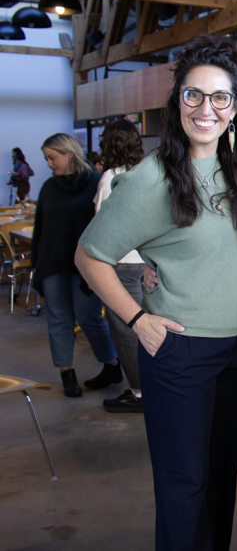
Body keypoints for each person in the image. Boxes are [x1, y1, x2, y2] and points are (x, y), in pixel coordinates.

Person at [76, 34, 237, 551]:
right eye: (193, 95)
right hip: (180, 351)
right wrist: (137, 320)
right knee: (185, 489)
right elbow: (89, 256)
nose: (206, 108)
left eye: (219, 97)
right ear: (176, 101)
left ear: (233, 109)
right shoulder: (151, 179)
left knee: (221, 483)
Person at [32, 133, 119, 398]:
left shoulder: (96, 182)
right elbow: (40, 229)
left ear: (69, 153)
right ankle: (66, 373)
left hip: (87, 265)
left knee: (89, 317)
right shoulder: (48, 187)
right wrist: (36, 264)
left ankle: (111, 365)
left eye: (52, 157)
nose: (49, 163)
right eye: (46, 158)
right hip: (53, 263)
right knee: (58, 319)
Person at [92, 118, 147, 414]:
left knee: (125, 331)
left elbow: (101, 229)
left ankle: (139, 392)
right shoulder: (143, 172)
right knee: (142, 326)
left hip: (121, 264)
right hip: (144, 263)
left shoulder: (110, 177)